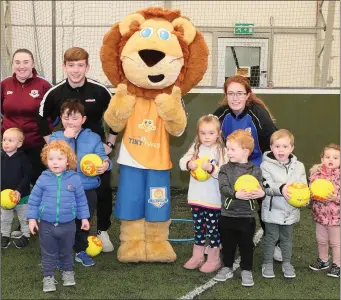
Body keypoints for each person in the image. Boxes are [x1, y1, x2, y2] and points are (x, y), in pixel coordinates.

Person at [37, 47, 117, 251]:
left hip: (94, 147)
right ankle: (62, 230)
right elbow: (40, 118)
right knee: (63, 189)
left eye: (80, 65)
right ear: (64, 67)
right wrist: (54, 144)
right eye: (71, 65)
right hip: (67, 149)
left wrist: (109, 143)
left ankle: (102, 231)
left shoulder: (99, 91)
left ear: (87, 67)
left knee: (103, 188)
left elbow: (116, 115)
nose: (75, 70)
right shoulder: (55, 93)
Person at [213, 75, 280, 261]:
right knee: (229, 201)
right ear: (226, 95)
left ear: (247, 95)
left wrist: (272, 169)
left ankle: (275, 244)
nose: (235, 98)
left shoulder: (257, 113)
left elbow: (273, 140)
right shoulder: (221, 113)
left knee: (263, 204)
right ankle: (226, 241)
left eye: (240, 93)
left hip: (258, 164)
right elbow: (207, 133)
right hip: (233, 165)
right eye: (231, 93)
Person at [49, 99, 112, 267]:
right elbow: (52, 159)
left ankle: (81, 250)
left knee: (83, 222)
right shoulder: (56, 137)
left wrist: (105, 165)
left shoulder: (93, 138)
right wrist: (67, 140)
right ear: (61, 118)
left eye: (75, 118)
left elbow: (104, 158)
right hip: (62, 189)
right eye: (66, 117)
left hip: (87, 189)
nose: (70, 122)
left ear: (83, 119)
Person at [26, 140, 90, 292]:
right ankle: (48, 277)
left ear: (68, 160)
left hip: (68, 225)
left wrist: (84, 218)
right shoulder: (43, 179)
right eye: (51, 159)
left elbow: (81, 200)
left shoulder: (74, 179)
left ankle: (68, 272)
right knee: (48, 253)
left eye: (60, 158)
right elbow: (34, 200)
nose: (55, 162)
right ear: (46, 161)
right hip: (47, 225)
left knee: (67, 251)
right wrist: (32, 219)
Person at [214, 129, 265, 287]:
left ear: (245, 151)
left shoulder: (255, 171)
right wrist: (237, 194)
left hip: (246, 217)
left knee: (246, 245)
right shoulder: (224, 169)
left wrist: (260, 192)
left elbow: (261, 189)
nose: (228, 152)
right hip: (227, 215)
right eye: (227, 148)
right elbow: (223, 188)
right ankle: (227, 266)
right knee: (227, 244)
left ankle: (246, 270)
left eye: (232, 149)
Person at [179, 115, 228, 273]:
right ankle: (197, 256)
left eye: (211, 133)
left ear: (219, 133)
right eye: (203, 133)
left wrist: (211, 169)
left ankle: (214, 259)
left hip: (213, 200)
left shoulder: (222, 151)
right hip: (196, 198)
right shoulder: (195, 148)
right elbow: (182, 162)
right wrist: (189, 164)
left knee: (213, 230)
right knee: (198, 229)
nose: (207, 137)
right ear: (198, 134)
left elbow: (225, 173)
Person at [260, 129, 307, 279]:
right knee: (271, 237)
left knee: (287, 238)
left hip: (290, 211)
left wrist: (304, 198)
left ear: (291, 148)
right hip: (272, 211)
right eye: (277, 146)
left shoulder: (299, 166)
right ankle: (267, 263)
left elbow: (303, 186)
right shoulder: (265, 166)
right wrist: (281, 188)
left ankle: (287, 262)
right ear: (271, 147)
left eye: (285, 146)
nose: (281, 150)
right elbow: (266, 186)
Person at [1, 48, 51, 185]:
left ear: (33, 64)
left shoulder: (44, 85)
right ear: (13, 65)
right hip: (11, 146)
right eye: (17, 62)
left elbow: (52, 114)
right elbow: (2, 109)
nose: (21, 66)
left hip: (36, 144)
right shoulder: (4, 84)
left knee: (37, 182)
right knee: (11, 183)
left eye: (26, 62)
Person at [309, 144, 340, 278]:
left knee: (335, 242)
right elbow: (312, 190)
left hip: (335, 217)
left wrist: (336, 197)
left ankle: (337, 265)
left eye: (335, 157)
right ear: (322, 159)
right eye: (327, 157)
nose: (331, 160)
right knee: (321, 239)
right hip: (320, 215)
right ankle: (323, 260)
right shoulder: (315, 174)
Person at [1, 128, 32, 248]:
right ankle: (5, 235)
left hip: (22, 195)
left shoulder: (23, 158)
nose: (6, 143)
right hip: (5, 198)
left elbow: (27, 176)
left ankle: (26, 235)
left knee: (24, 217)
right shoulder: (1, 156)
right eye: (4, 140)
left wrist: (18, 190)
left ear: (19, 143)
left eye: (10, 140)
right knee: (5, 218)